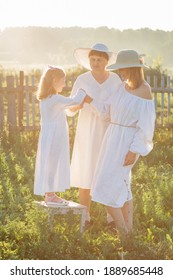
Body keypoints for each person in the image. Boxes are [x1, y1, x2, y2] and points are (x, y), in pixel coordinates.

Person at [89, 49, 156, 236]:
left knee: (108, 185)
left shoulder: (145, 90)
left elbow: (146, 126)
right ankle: (129, 231)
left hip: (127, 142)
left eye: (123, 69)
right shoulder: (120, 86)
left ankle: (124, 234)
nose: (120, 72)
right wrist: (89, 100)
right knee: (120, 185)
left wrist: (134, 150)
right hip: (111, 138)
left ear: (133, 68)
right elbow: (107, 113)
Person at [66, 43, 122, 227]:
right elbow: (70, 109)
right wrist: (76, 105)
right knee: (86, 170)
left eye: (99, 60)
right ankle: (86, 216)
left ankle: (111, 217)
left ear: (106, 61)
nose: (95, 63)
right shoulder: (82, 79)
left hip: (108, 131)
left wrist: (93, 101)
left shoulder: (115, 80)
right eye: (92, 59)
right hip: (87, 130)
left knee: (107, 171)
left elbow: (114, 110)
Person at [34, 65, 90, 205]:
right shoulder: (55, 98)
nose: (64, 84)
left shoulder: (47, 98)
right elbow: (75, 100)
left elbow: (68, 108)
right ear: (54, 80)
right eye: (63, 81)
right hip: (55, 136)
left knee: (51, 162)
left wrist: (77, 106)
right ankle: (50, 195)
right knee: (52, 163)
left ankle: (50, 193)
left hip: (49, 134)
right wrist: (83, 90)